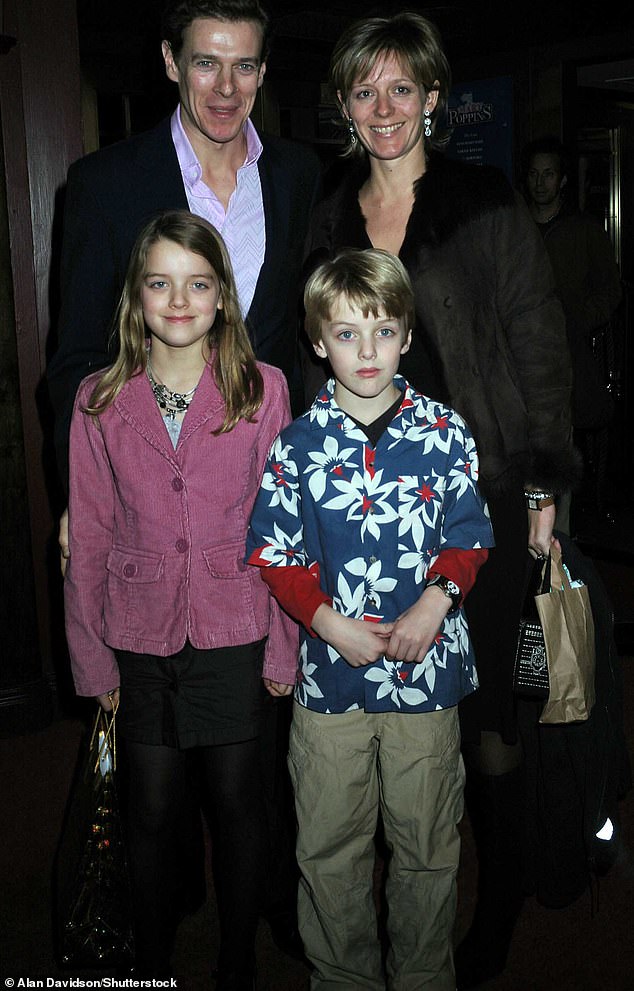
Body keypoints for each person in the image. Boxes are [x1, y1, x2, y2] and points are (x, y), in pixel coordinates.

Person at [301, 12, 581, 989]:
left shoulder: (481, 197)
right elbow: (310, 354)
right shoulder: (329, 206)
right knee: (387, 708)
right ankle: (391, 897)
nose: (382, 107)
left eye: (400, 88)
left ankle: (498, 893)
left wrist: (544, 491)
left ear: (431, 96)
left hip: (487, 491)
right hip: (370, 512)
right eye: (362, 90)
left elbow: (537, 341)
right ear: (344, 104)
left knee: (485, 711)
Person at [48, 0, 320, 957]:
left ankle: (263, 919)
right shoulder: (104, 181)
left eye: (245, 65)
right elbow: (75, 358)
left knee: (252, 781)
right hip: (140, 544)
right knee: (158, 799)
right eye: (206, 63)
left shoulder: (296, 172)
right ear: (170, 61)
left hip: (245, 537)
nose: (226, 88)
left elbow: (306, 340)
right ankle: (171, 924)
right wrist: (81, 508)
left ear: (264, 69)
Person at [246, 248, 495, 989]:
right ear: (318, 341)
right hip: (330, 684)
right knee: (329, 847)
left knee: (426, 846)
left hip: (427, 677)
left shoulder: (446, 431)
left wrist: (434, 601)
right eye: (347, 334)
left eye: (383, 331)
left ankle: (423, 976)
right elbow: (275, 550)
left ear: (408, 336)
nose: (366, 350)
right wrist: (327, 623)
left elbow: (471, 532)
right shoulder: (296, 445)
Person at [63, 209, 298, 987]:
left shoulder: (263, 390)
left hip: (236, 623)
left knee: (239, 803)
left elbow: (284, 527)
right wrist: (92, 659)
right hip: (137, 630)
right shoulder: (100, 399)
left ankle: (236, 960)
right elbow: (90, 536)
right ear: (136, 296)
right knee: (152, 809)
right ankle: (154, 960)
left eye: (197, 283)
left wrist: (284, 642)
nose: (178, 299)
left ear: (223, 297)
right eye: (159, 283)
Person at [521, 135, 622, 528]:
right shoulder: (516, 228)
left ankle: (559, 536)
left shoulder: (582, 230)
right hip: (522, 355)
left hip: (569, 354)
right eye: (534, 174)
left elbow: (610, 289)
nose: (540, 182)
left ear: (562, 180)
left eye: (548, 174)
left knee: (562, 440)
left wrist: (579, 319)